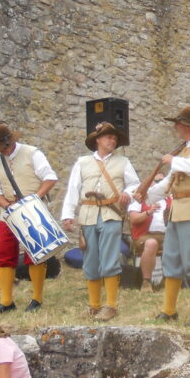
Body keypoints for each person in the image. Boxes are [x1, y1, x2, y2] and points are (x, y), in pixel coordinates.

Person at [144, 105, 190, 325]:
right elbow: (170, 182)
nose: (175, 127)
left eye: (178, 123)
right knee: (171, 259)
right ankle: (169, 310)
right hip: (177, 210)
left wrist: (173, 160)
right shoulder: (184, 151)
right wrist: (146, 195)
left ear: (187, 126)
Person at [61, 122, 139, 321]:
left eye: (115, 138)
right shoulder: (82, 162)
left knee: (110, 259)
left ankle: (111, 306)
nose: (112, 140)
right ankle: (94, 305)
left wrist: (127, 193)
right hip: (87, 215)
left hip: (111, 214)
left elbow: (134, 185)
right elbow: (73, 189)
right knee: (91, 260)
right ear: (98, 140)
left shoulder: (123, 162)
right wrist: (68, 214)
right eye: (108, 137)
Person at [0, 121, 58, 314]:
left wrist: (34, 198)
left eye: (5, 146)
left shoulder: (32, 153)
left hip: (32, 210)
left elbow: (50, 178)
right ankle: (6, 301)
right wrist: (5, 204)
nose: (4, 151)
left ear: (11, 141)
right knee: (4, 256)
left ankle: (37, 298)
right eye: (0, 148)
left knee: (36, 254)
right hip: (8, 213)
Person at [129, 198, 167, 290]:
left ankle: (170, 280)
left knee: (179, 241)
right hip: (144, 235)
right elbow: (133, 219)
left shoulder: (169, 198)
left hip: (167, 235)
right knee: (151, 243)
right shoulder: (139, 198)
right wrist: (149, 212)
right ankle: (146, 282)